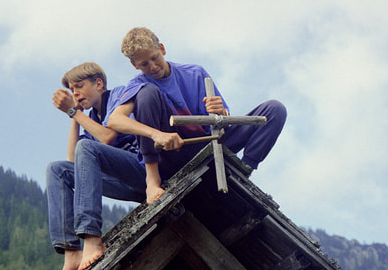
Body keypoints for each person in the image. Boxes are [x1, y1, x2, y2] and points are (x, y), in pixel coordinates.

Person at [108, 27, 286, 204]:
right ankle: (152, 182)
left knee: (274, 110)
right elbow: (115, 120)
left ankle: (243, 170)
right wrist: (156, 134)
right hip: (173, 153)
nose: (153, 67)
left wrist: (220, 114)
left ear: (162, 49)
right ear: (134, 65)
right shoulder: (139, 84)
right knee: (146, 93)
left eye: (155, 58)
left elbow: (223, 125)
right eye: (144, 64)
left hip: (210, 146)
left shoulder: (195, 73)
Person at [46, 62, 146, 270]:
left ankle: (92, 238)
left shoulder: (119, 95)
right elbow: (74, 165)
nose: (75, 93)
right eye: (72, 90)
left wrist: (75, 111)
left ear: (98, 83)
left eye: (79, 86)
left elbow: (109, 136)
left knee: (87, 147)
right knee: (56, 170)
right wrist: (75, 116)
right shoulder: (88, 117)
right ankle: (71, 251)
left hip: (143, 171)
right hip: (123, 182)